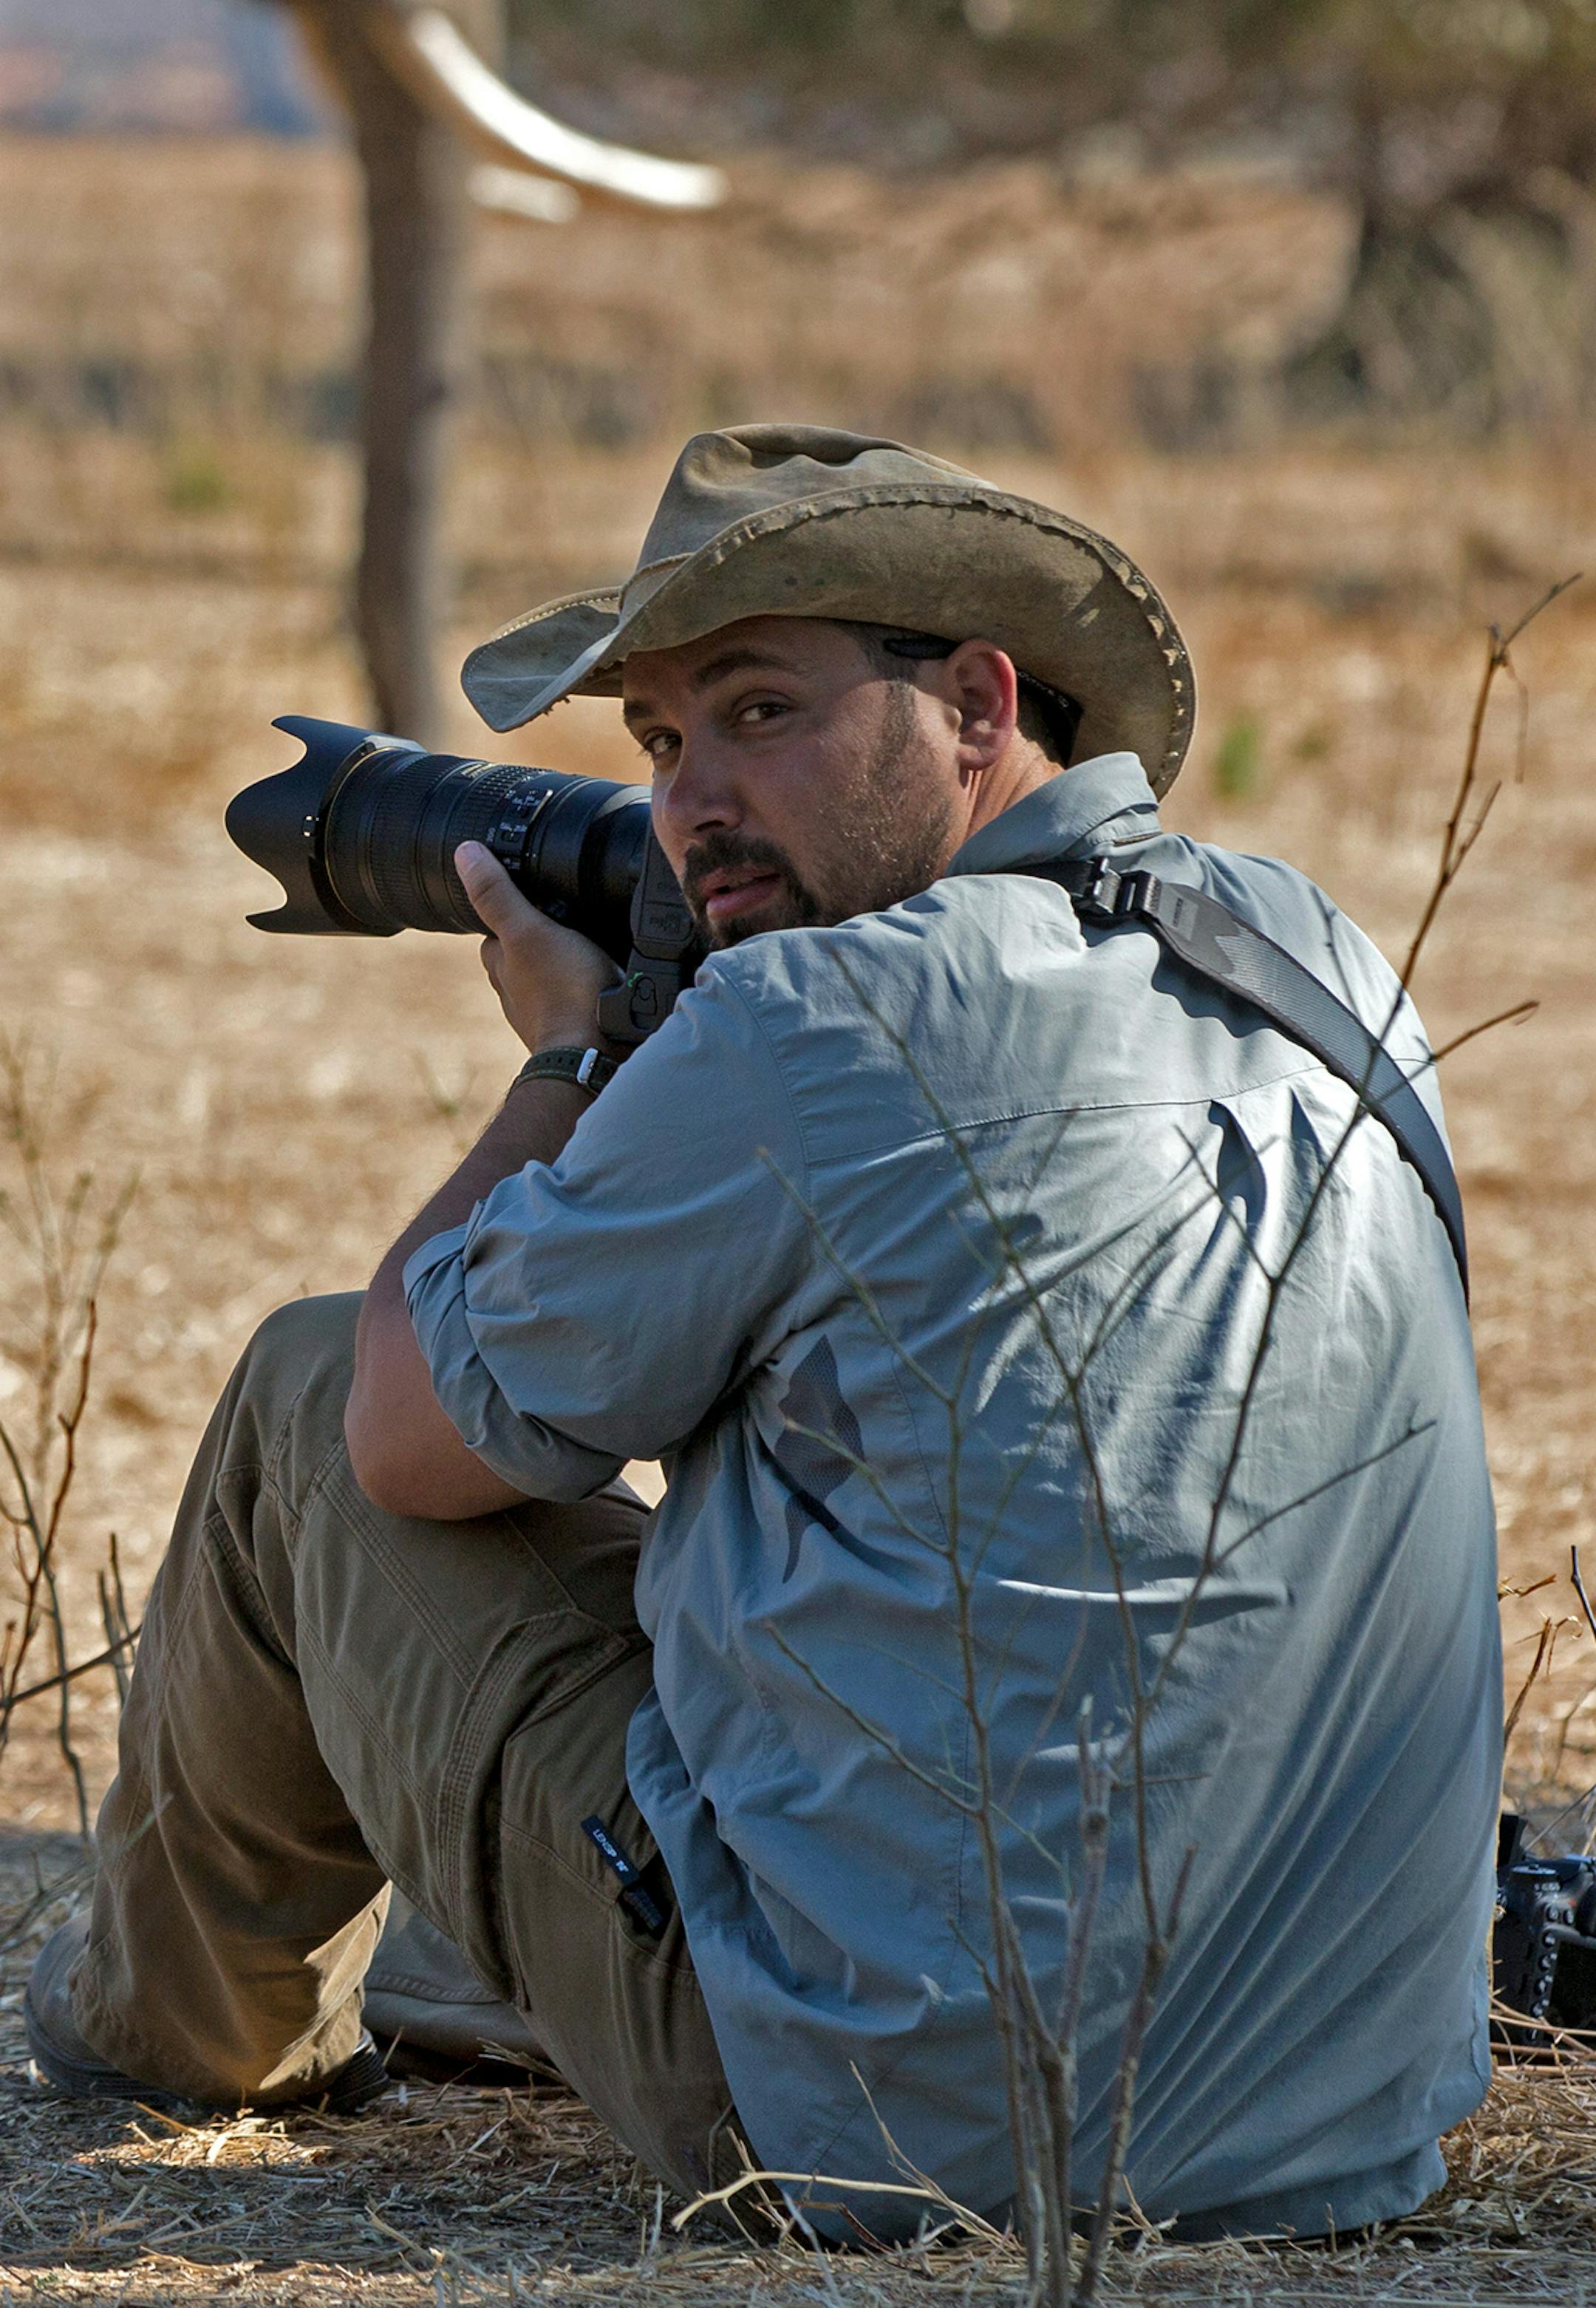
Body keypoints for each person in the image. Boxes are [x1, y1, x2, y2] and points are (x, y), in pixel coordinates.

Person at [26, 425, 1501, 2242]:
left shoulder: (821, 1018)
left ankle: (174, 2045)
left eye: (760, 713)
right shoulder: (1330, 957)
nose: (689, 803)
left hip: (904, 2139)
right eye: (657, 743)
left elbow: (405, 1437)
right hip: (1340, 2121)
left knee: (304, 1383)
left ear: (976, 702)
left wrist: (567, 1062)